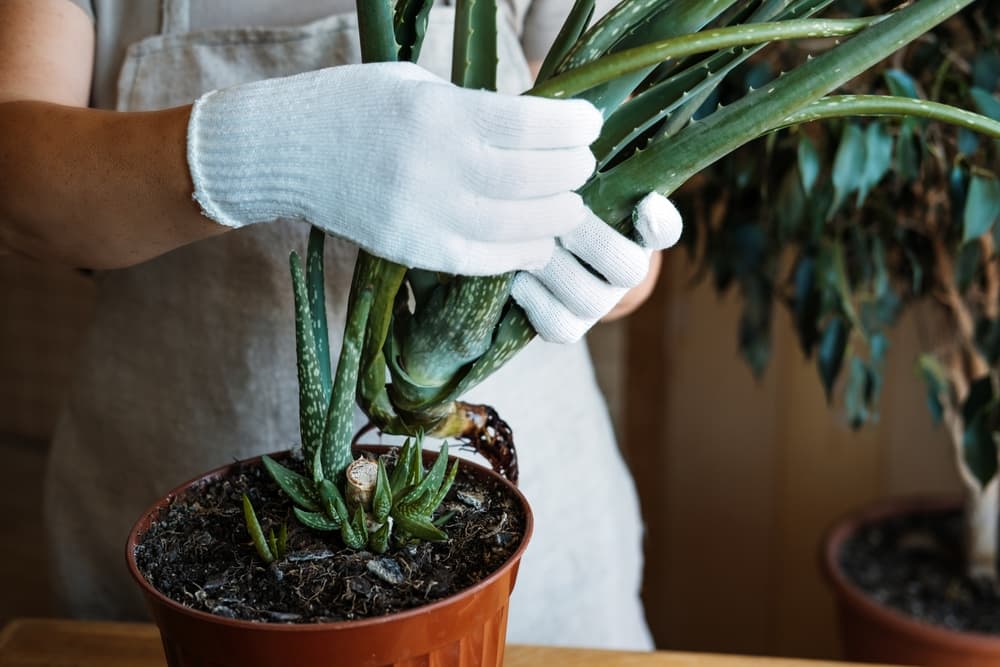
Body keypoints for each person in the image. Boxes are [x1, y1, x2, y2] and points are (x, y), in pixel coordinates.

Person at [0, 0, 681, 650]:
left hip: (528, 551)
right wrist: (256, 149)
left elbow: (608, 151)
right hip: (187, 542)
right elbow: (14, 176)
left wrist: (608, 259)